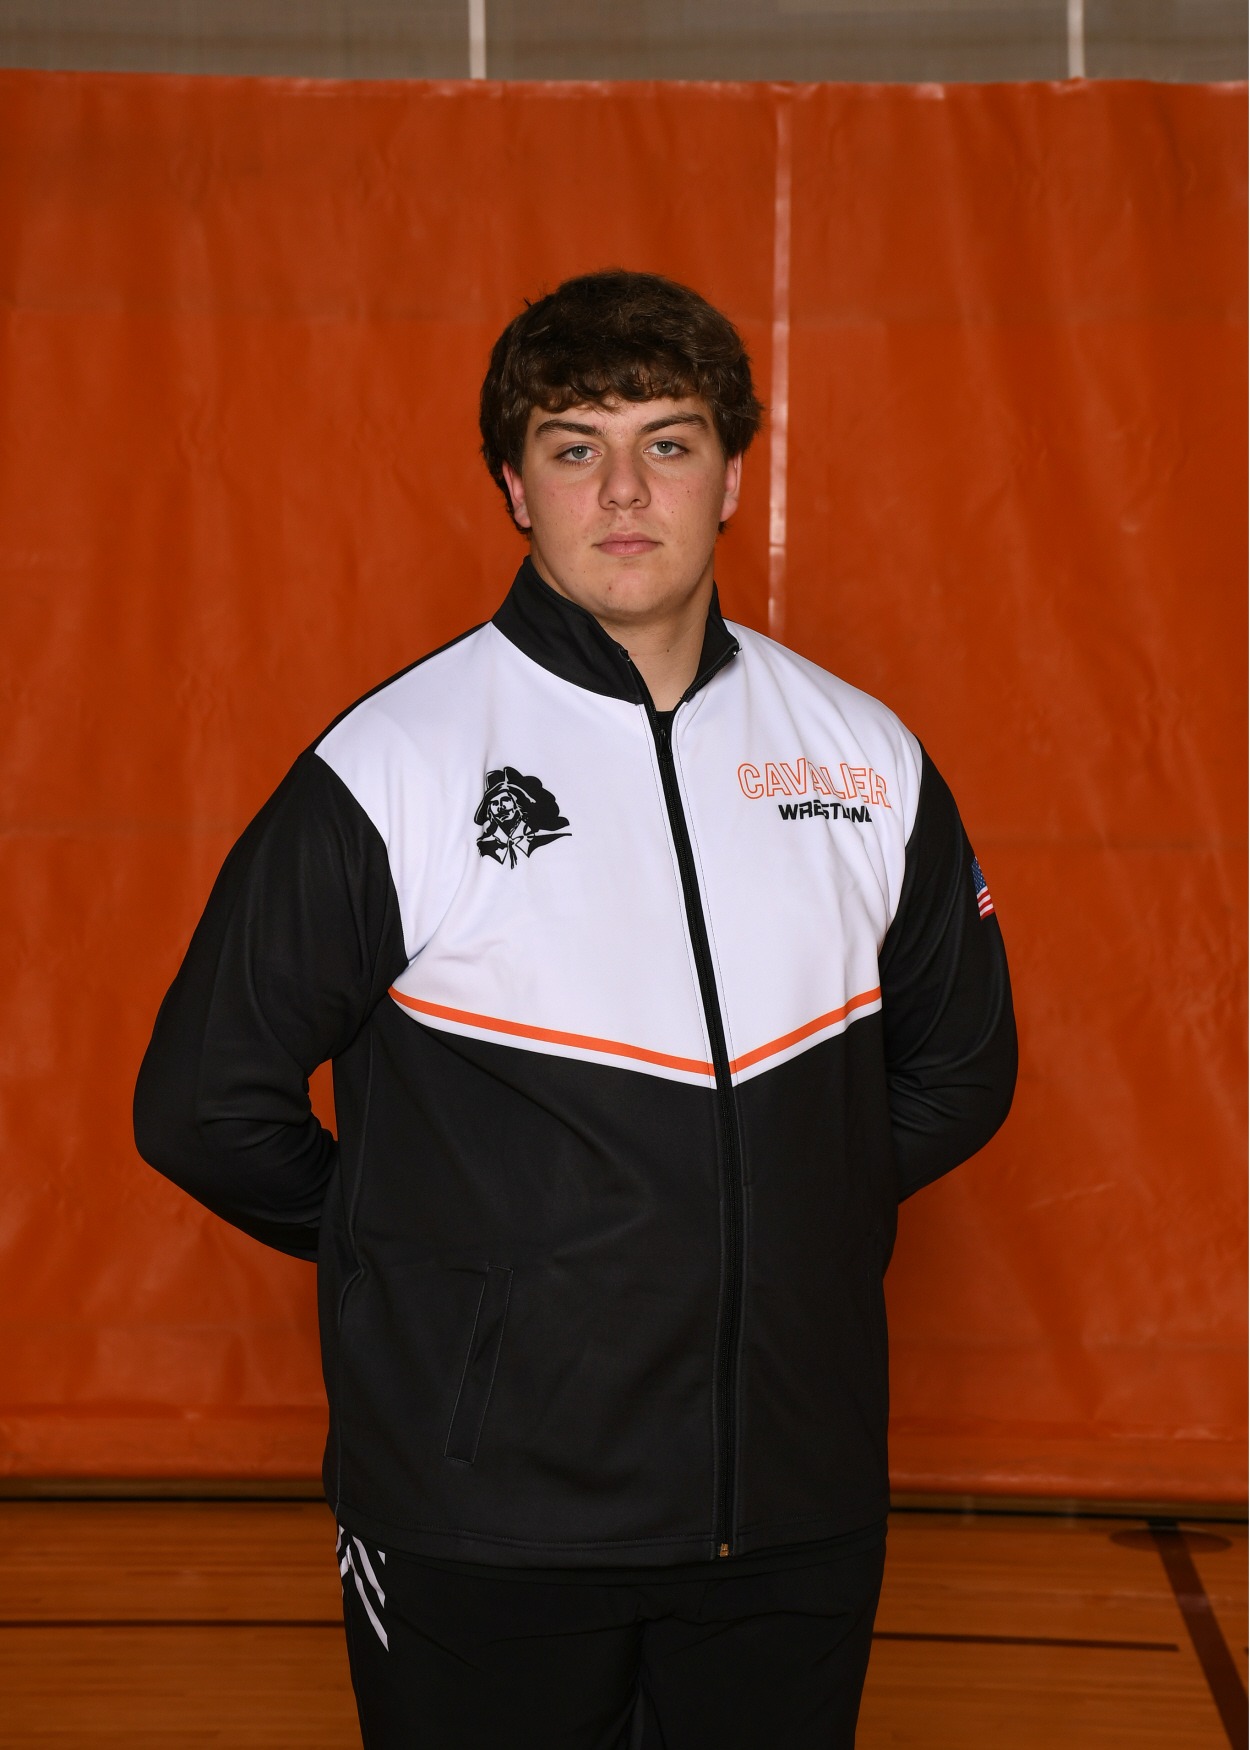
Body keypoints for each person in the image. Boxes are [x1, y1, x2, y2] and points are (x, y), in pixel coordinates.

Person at [134, 268, 1016, 1748]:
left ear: (732, 478)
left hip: (791, 1503)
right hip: (485, 1515)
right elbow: (201, 1105)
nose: (623, 489)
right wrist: (442, 1267)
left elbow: (961, 1071)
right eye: (572, 446)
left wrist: (766, 1227)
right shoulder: (395, 764)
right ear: (512, 487)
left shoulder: (862, 756)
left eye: (668, 442)